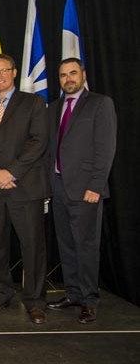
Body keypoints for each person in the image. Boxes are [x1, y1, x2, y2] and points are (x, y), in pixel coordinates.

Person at [0, 53, 49, 324]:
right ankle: (0, 293)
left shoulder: (34, 103)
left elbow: (38, 142)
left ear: (14, 73)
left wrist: (11, 172)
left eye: (4, 71)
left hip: (24, 186)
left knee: (32, 246)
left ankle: (35, 300)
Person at [46, 58, 117, 324]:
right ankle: (73, 293)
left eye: (73, 73)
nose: (68, 79)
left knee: (86, 247)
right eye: (63, 75)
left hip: (86, 190)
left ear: (83, 75)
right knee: (66, 245)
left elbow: (106, 149)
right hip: (58, 187)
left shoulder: (100, 104)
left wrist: (96, 186)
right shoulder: (53, 108)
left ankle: (89, 299)